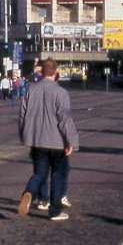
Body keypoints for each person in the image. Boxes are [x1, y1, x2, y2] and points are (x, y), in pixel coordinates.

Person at [18, 59, 78, 221]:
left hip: (37, 140)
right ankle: (55, 211)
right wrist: (71, 141)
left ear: (41, 72)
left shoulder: (31, 90)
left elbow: (22, 115)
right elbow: (64, 119)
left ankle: (29, 192)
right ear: (56, 72)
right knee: (58, 175)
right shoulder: (60, 92)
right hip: (57, 141)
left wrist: (24, 135)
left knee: (39, 174)